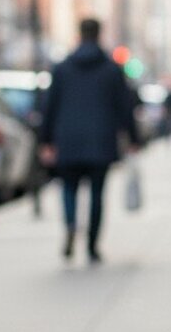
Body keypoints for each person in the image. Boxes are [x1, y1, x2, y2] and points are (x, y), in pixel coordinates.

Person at [39, 18, 140, 263]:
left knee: (68, 188)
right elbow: (125, 107)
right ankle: (92, 245)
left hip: (68, 139)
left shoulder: (62, 68)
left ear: (79, 34)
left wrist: (46, 140)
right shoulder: (111, 69)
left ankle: (71, 224)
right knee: (97, 194)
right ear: (99, 35)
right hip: (101, 140)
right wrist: (133, 137)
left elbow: (49, 107)